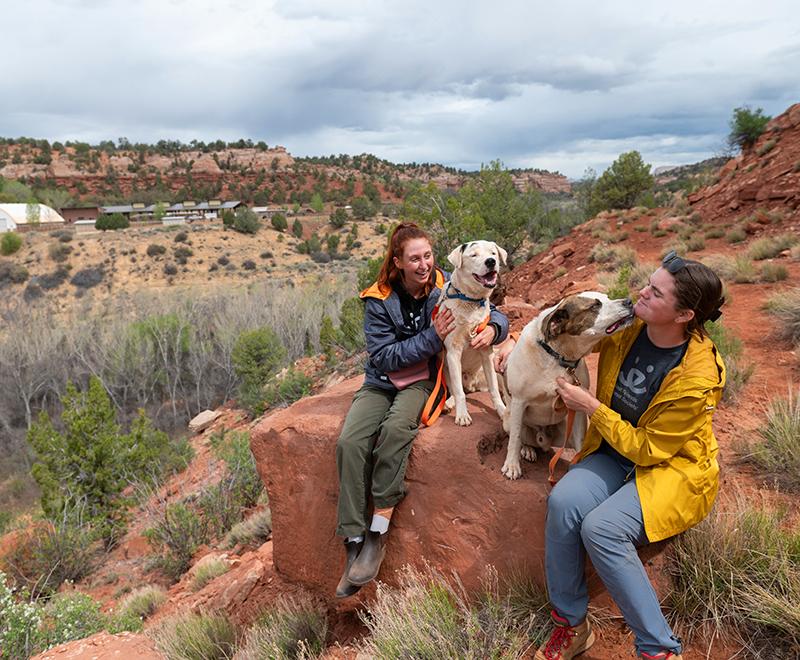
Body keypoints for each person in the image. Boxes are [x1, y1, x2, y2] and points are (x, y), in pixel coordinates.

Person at [495, 251, 726, 660]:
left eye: (655, 292)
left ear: (684, 314)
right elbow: (558, 332)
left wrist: (591, 407)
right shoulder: (628, 327)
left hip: (668, 468)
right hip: (613, 450)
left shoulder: (698, 375)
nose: (642, 292)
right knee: (563, 502)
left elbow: (650, 449)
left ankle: (657, 648)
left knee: (601, 529)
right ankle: (572, 625)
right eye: (648, 283)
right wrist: (510, 341)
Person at [335, 222, 509, 598]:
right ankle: (352, 537)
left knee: (396, 432)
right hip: (382, 379)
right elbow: (383, 358)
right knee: (350, 441)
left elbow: (486, 308)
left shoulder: (447, 284)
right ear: (397, 262)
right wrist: (432, 337)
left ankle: (377, 534)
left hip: (422, 380)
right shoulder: (378, 299)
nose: (423, 264)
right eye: (414, 258)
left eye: (427, 256)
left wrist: (496, 327)